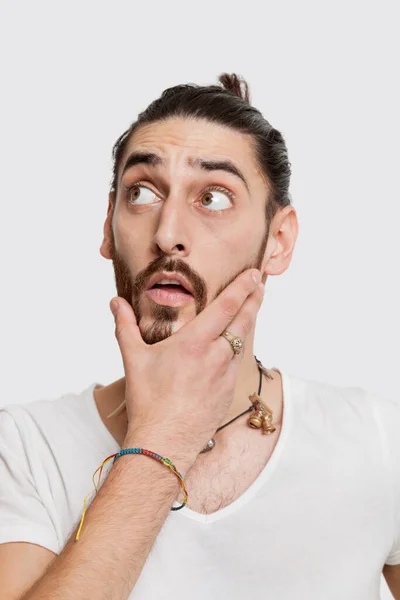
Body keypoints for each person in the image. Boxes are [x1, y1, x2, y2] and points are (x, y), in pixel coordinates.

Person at [0, 73, 399, 600]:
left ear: (277, 241)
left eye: (213, 198)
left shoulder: (378, 436)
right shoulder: (25, 447)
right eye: (141, 192)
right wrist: (162, 439)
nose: (167, 234)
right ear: (107, 225)